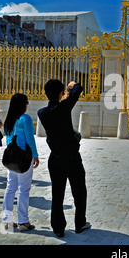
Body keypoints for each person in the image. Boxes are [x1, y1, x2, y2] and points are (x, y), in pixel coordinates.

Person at [38, 79, 90, 237]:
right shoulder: (64, 107)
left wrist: (64, 96)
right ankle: (80, 223)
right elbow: (78, 88)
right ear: (61, 93)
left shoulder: (42, 113)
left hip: (55, 158)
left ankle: (58, 227)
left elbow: (58, 106)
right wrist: (72, 85)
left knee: (57, 193)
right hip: (72, 157)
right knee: (79, 191)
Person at [2, 94, 39, 231]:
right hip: (23, 158)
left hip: (11, 158)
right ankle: (23, 221)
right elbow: (30, 139)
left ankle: (7, 220)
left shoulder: (9, 120)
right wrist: (35, 155)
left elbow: (8, 139)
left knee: (10, 188)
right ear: (23, 104)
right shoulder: (25, 119)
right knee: (24, 189)